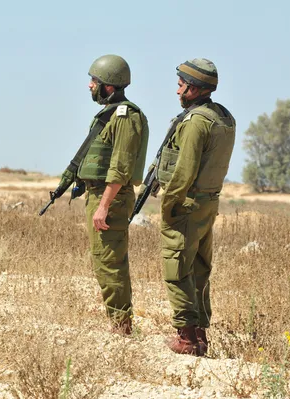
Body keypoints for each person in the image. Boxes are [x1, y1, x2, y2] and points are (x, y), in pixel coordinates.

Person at [57, 54, 149, 335]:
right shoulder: (110, 115)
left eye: (94, 81)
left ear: (109, 86)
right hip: (100, 195)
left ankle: (122, 327)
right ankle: (119, 322)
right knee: (104, 261)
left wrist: (104, 206)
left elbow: (120, 168)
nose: (89, 86)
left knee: (110, 262)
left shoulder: (125, 117)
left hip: (112, 198)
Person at [156, 58, 236, 355]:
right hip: (208, 202)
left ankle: (187, 338)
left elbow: (184, 171)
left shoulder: (196, 122)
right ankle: (200, 334)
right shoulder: (222, 116)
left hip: (187, 204)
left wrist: (169, 203)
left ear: (193, 88)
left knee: (176, 267)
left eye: (181, 84)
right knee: (200, 268)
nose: (177, 89)